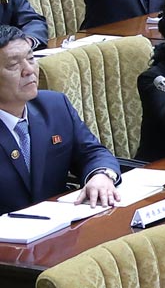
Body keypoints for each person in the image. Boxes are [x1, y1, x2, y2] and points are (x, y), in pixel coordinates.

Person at [0, 25, 120, 212]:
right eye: (14, 65)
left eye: (31, 59)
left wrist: (100, 175)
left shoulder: (54, 106)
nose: (28, 70)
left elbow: (93, 153)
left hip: (60, 229)